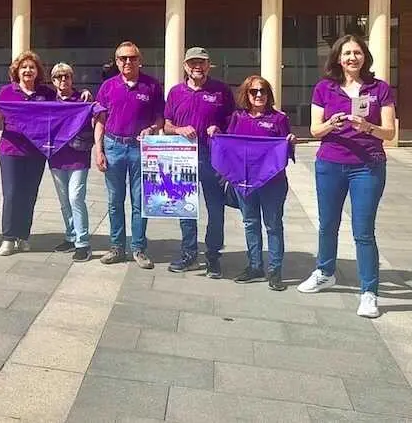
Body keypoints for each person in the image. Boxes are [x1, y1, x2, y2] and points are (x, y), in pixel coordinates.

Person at [298, 35, 395, 318]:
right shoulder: (324, 88)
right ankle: (325, 271)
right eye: (346, 53)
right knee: (327, 224)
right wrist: (331, 123)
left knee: (363, 232)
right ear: (338, 59)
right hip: (330, 164)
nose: (352, 58)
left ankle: (369, 292)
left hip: (368, 165)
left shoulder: (380, 88)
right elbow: (315, 131)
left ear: (365, 56)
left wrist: (367, 126)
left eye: (357, 52)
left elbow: (389, 133)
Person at [164, 46, 235, 277]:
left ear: (208, 65)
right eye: (193, 62)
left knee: (215, 209)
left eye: (202, 62)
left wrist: (220, 128)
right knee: (185, 208)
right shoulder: (175, 92)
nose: (197, 67)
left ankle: (213, 256)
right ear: (185, 66)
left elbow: (233, 122)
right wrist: (178, 129)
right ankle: (189, 254)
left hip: (212, 156)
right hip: (182, 156)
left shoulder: (221, 91)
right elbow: (166, 125)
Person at [93, 42, 164, 268]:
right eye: (123, 58)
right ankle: (116, 247)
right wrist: (99, 150)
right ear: (117, 61)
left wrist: (152, 129)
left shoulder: (151, 85)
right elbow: (100, 120)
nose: (127, 62)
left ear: (139, 60)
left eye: (132, 58)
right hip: (113, 146)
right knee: (115, 201)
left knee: (140, 201)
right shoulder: (107, 87)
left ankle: (139, 248)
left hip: (140, 148)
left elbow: (160, 118)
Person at [0, 51, 55, 256]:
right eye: (24, 67)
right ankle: (9, 238)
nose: (28, 70)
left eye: (32, 67)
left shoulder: (46, 94)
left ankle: (24, 236)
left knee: (30, 195)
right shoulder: (7, 92)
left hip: (36, 151)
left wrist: (82, 95)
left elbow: (61, 109)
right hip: (11, 151)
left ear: (37, 71)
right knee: (12, 194)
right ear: (17, 71)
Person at [225, 75, 296, 291]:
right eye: (254, 91)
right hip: (245, 183)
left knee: (273, 226)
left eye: (262, 91)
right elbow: (229, 146)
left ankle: (275, 271)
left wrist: (290, 143)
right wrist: (213, 135)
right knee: (250, 223)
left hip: (272, 183)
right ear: (246, 94)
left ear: (268, 94)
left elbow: (286, 152)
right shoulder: (238, 117)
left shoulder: (279, 119)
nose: (258, 95)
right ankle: (255, 266)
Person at [48, 63, 100, 262]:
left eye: (67, 77)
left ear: (72, 79)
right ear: (53, 81)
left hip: (78, 157)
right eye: (59, 77)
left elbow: (97, 114)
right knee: (64, 201)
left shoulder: (83, 99)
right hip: (56, 157)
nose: (63, 80)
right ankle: (71, 235)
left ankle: (83, 242)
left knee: (75, 197)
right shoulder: (49, 100)